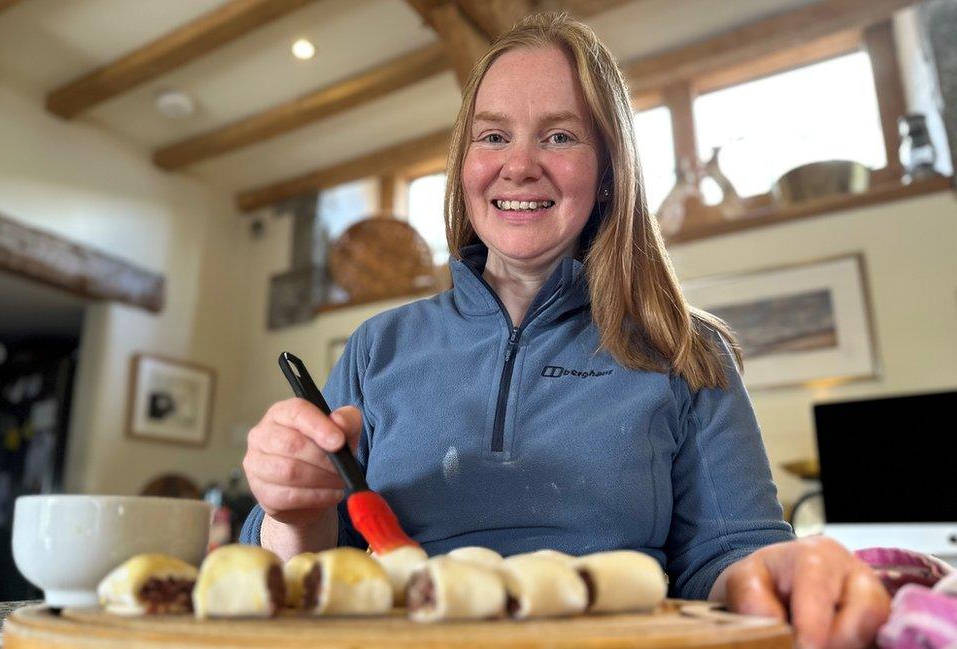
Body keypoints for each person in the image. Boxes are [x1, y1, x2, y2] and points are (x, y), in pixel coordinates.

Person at [241, 12, 889, 648]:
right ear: (464, 163)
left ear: (609, 172)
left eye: (559, 136)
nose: (519, 166)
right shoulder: (376, 348)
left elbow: (731, 553)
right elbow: (296, 566)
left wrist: (779, 571)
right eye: (493, 137)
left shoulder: (688, 353)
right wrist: (291, 513)